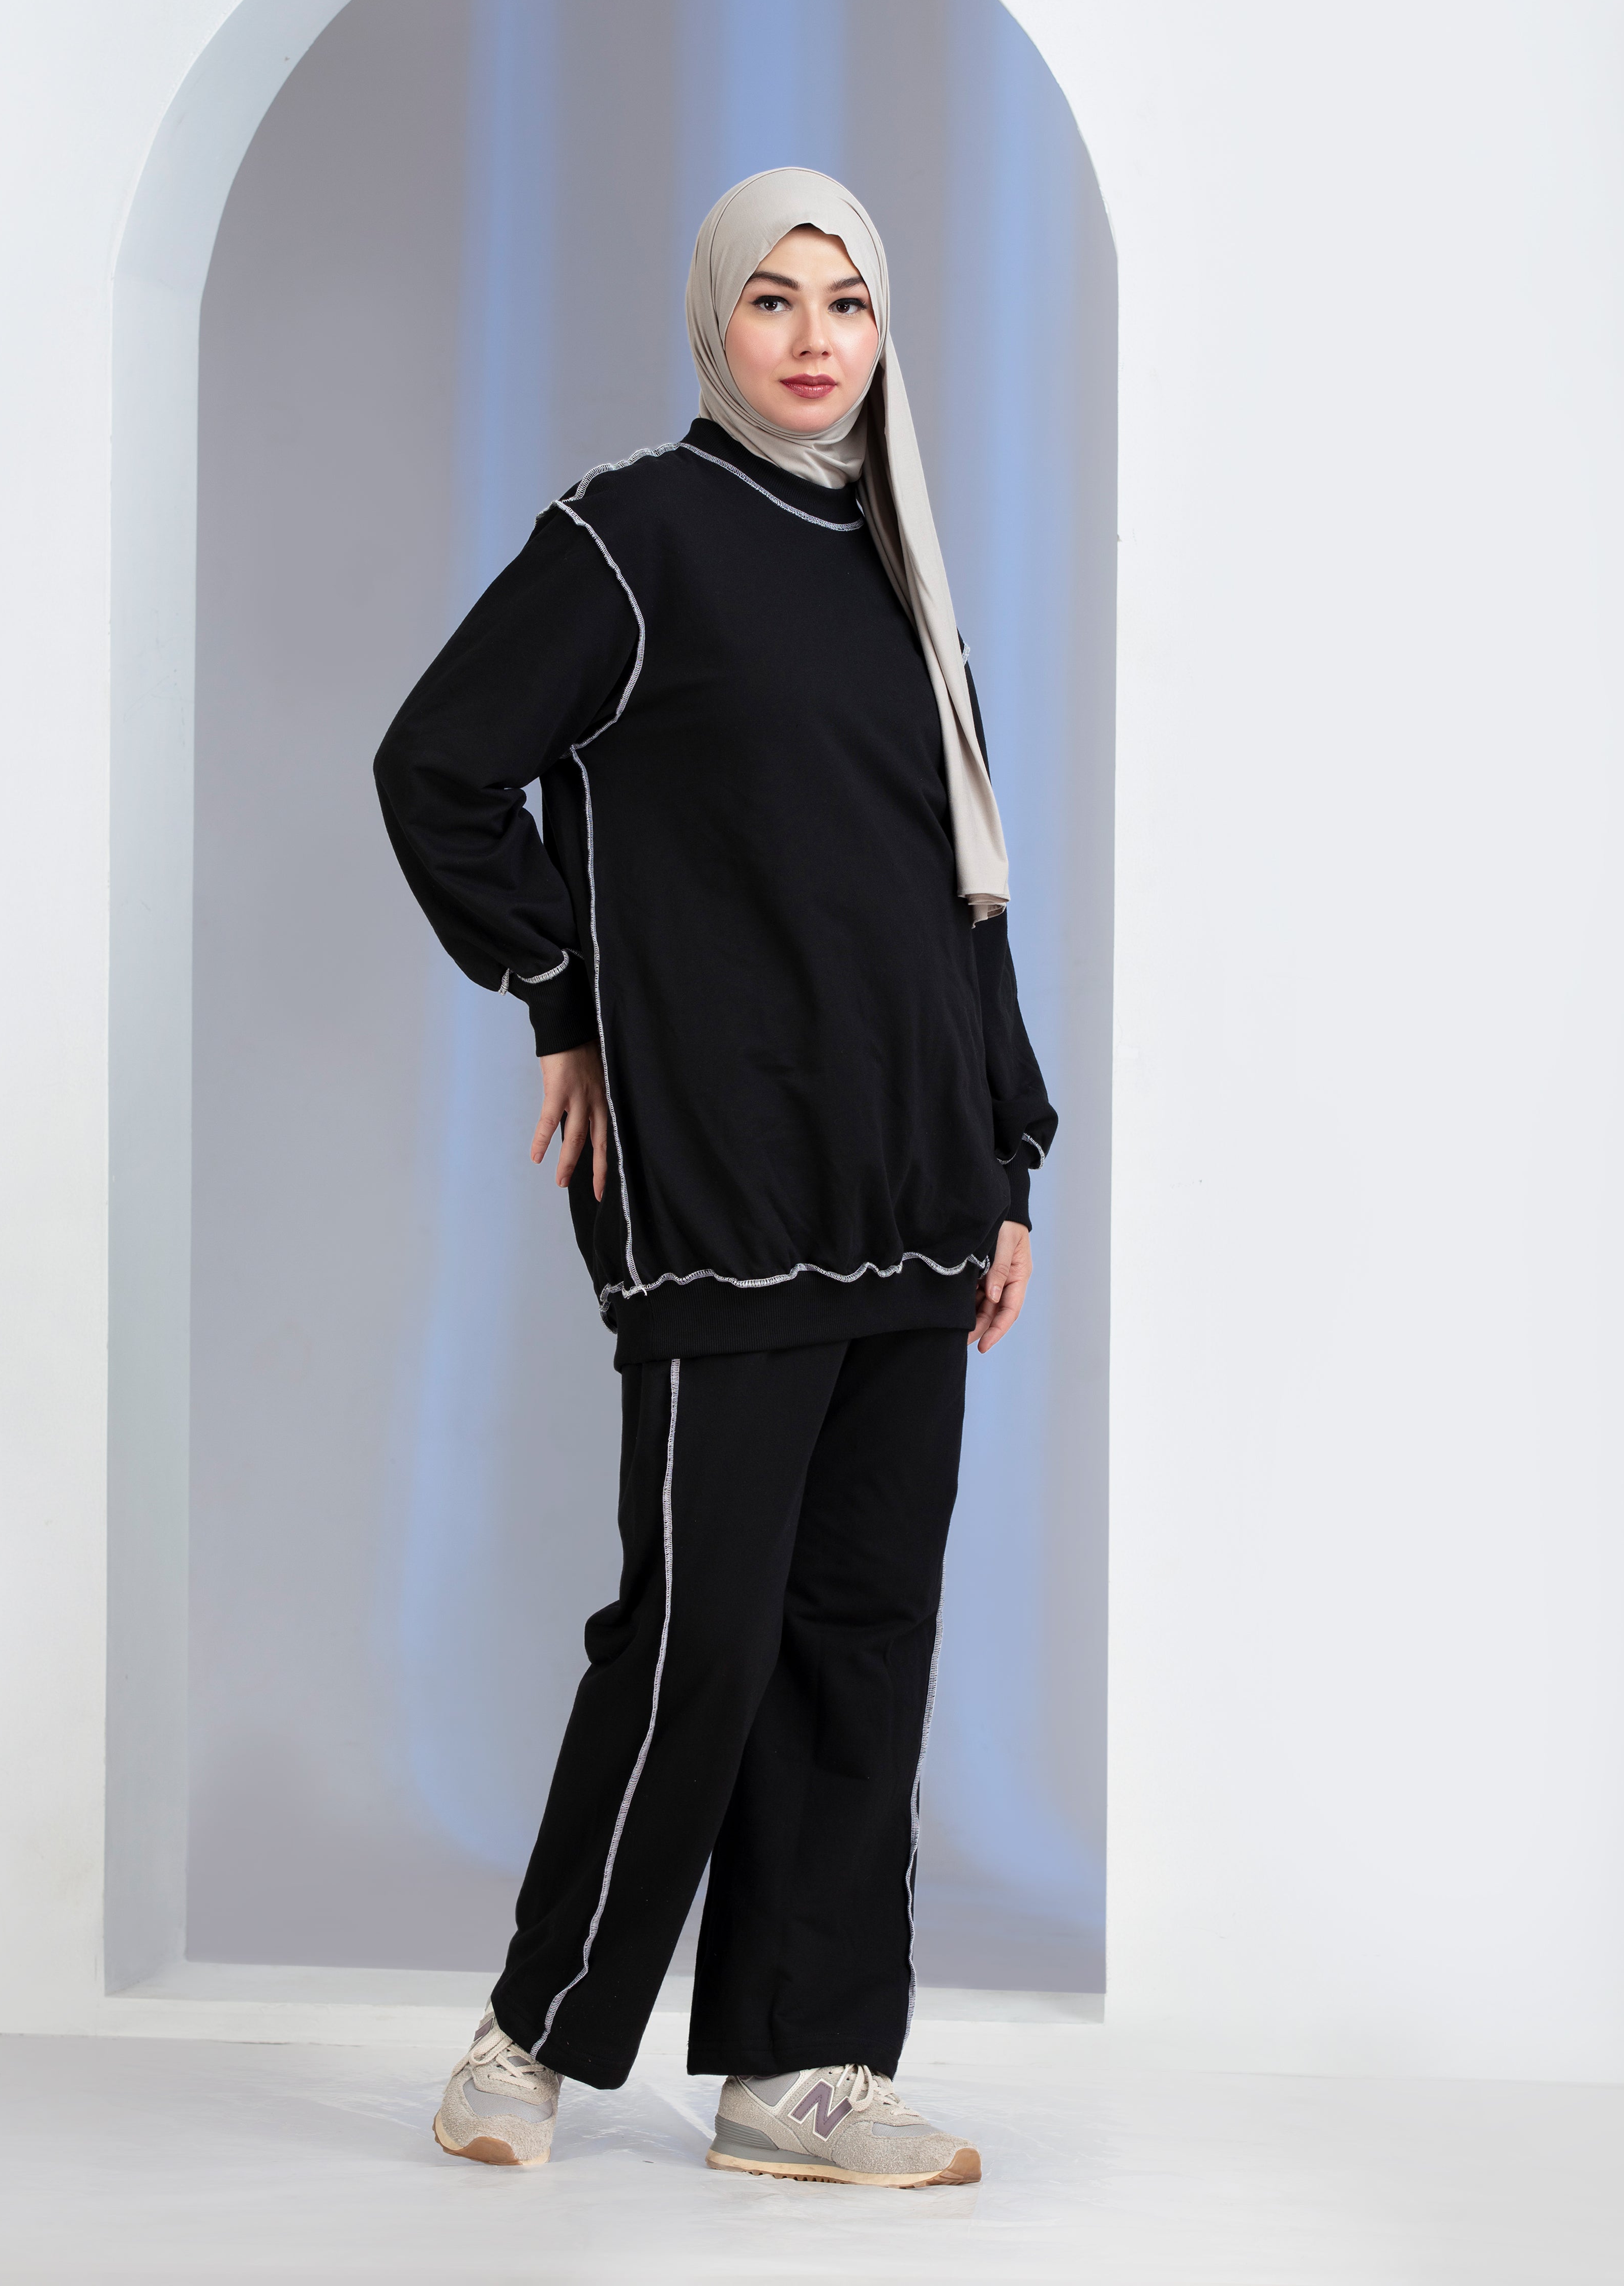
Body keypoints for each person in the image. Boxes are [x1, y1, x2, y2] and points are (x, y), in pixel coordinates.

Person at [373, 168, 1057, 2189]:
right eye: (775, 297)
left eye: (849, 300)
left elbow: (964, 889)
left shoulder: (900, 560)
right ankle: (529, 2039)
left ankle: (799, 2070)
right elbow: (439, 765)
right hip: (729, 1179)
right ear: (715, 321)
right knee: (703, 1636)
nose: (816, 337)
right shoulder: (635, 537)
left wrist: (1007, 1159)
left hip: (915, 1178)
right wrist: (562, 994)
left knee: (864, 1632)